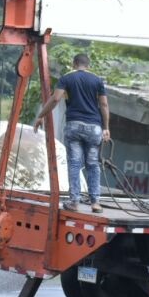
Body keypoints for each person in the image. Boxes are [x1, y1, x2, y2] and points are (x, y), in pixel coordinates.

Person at [32, 52, 110, 212]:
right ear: (88, 65)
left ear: (74, 64)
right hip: (94, 128)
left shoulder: (67, 78)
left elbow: (55, 99)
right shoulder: (97, 80)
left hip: (73, 125)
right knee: (93, 163)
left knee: (74, 163)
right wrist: (106, 127)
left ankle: (74, 201)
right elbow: (104, 105)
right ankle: (95, 203)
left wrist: (41, 116)